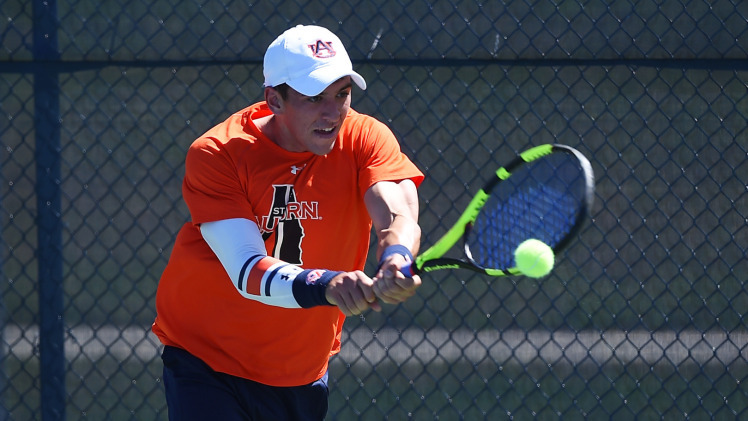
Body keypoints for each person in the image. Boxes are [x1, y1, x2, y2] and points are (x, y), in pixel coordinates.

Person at [152, 24, 424, 420]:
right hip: (207, 359)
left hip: (300, 371)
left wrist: (396, 256)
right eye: (314, 98)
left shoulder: (366, 138)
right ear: (274, 100)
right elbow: (248, 271)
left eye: (342, 94)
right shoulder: (219, 153)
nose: (332, 113)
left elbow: (397, 211)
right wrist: (330, 284)